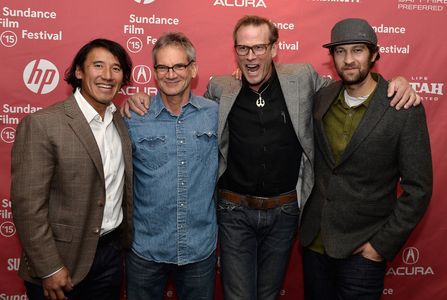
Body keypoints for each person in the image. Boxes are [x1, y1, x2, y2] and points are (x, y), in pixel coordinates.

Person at [123, 15, 419, 300]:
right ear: (235, 51)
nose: (251, 56)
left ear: (274, 49)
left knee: (267, 294)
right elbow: (179, 106)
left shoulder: (302, 78)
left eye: (259, 47)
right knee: (238, 295)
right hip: (234, 211)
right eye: (243, 48)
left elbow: (351, 85)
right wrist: (141, 99)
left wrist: (398, 82)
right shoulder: (220, 88)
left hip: (284, 212)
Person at [299, 18, 432, 300]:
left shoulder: (402, 108)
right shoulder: (321, 99)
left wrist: (380, 246)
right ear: (332, 57)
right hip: (314, 245)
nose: (348, 60)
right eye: (340, 51)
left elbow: (418, 189)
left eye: (357, 50)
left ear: (373, 54)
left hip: (363, 251)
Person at [11, 38, 134, 300]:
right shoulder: (43, 124)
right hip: (61, 262)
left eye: (116, 68)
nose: (107, 76)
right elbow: (27, 206)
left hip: (110, 257)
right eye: (98, 65)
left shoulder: (120, 122)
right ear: (79, 71)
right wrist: (49, 267)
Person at [124, 32, 218, 300]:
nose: (171, 74)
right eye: (163, 67)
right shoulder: (133, 117)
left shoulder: (215, 113)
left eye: (178, 66)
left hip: (199, 248)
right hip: (146, 249)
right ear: (154, 72)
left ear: (193, 69)